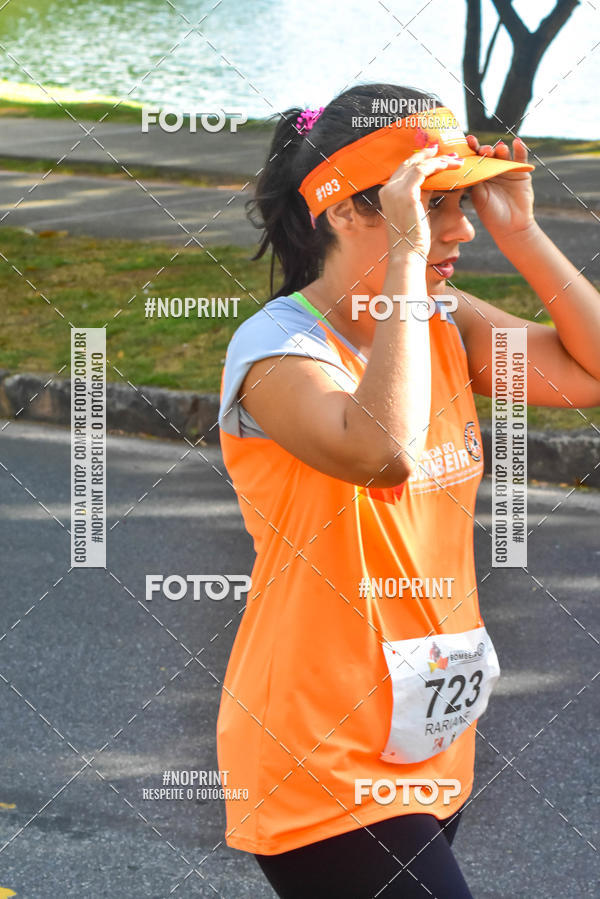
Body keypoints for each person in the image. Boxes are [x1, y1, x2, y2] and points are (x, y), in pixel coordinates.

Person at [216, 84, 600, 898]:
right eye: (434, 204)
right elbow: (379, 450)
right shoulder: (277, 351)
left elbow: (592, 370)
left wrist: (524, 232)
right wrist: (403, 255)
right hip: (319, 754)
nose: (458, 229)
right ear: (350, 210)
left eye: (460, 203)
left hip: (426, 735)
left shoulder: (443, 320)